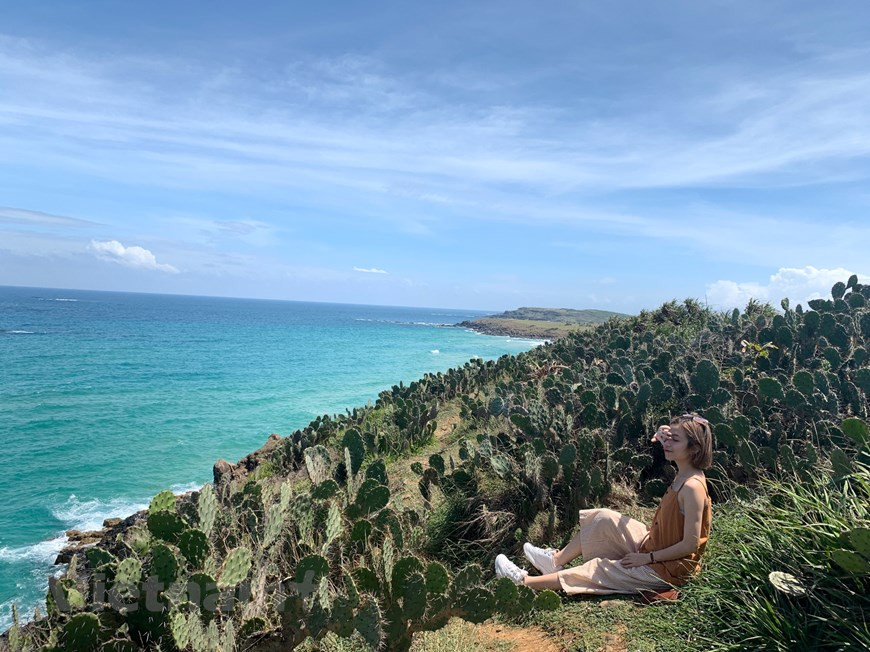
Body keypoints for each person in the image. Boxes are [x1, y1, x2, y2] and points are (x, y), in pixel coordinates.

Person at [495, 413, 713, 596]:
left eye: (675, 439)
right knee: (603, 518)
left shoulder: (692, 487)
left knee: (599, 569)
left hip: (668, 570)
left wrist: (647, 558)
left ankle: (524, 583)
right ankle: (555, 561)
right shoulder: (685, 473)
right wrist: (662, 436)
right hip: (654, 545)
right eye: (668, 438)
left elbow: (690, 546)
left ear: (694, 449)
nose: (667, 443)